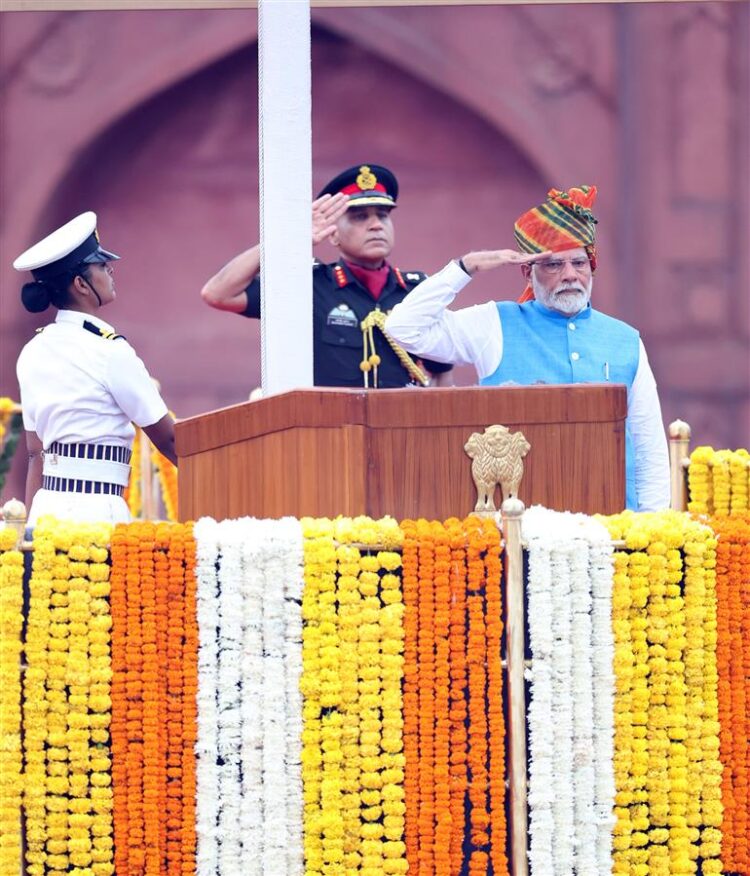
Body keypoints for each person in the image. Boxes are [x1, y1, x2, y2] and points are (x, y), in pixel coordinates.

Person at [384, 185, 670, 512]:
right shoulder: (494, 324)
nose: (570, 275)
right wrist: (465, 267)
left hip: (615, 527)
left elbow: (648, 446)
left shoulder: (625, 340)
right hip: (520, 527)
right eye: (553, 265)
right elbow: (403, 328)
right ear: (527, 273)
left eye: (579, 263)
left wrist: (653, 528)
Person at [200, 164, 453, 388]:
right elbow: (218, 294)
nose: (376, 225)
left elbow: (441, 374)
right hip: (330, 435)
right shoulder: (308, 285)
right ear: (333, 235)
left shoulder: (416, 291)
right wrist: (288, 238)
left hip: (400, 433)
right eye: (360, 217)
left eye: (383, 215)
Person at [13, 211, 177, 525]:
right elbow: (169, 440)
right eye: (101, 265)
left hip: (46, 514)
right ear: (81, 284)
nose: (110, 270)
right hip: (98, 516)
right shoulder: (109, 350)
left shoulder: (32, 352)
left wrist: (29, 535)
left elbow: (36, 454)